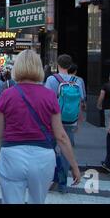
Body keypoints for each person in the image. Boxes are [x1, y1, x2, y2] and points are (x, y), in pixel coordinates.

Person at [0, 50, 81, 204]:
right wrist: (73, 165)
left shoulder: (7, 95)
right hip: (43, 156)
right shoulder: (49, 95)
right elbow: (60, 136)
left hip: (12, 154)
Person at [44, 54, 84, 193]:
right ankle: (62, 183)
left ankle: (51, 178)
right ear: (70, 65)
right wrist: (78, 121)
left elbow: (47, 101)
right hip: (70, 121)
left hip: (53, 121)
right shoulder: (78, 81)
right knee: (67, 150)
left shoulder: (51, 80)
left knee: (50, 150)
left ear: (58, 64)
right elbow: (80, 102)